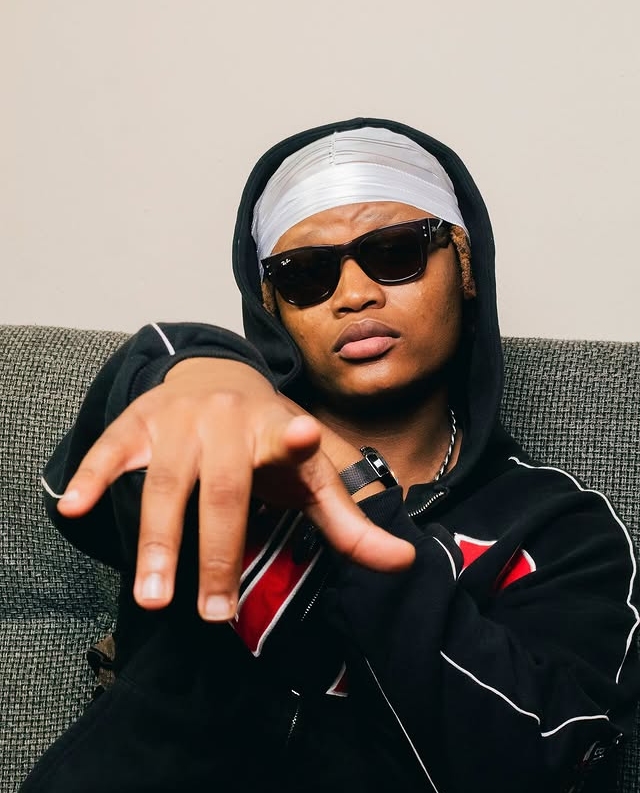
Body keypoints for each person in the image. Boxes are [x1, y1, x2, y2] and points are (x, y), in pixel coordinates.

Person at [23, 118, 639, 792]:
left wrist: (356, 495)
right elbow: (82, 498)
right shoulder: (217, 442)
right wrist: (189, 366)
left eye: (397, 251)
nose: (353, 294)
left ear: (463, 264)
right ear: (272, 306)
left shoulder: (562, 531)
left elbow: (535, 763)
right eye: (306, 274)